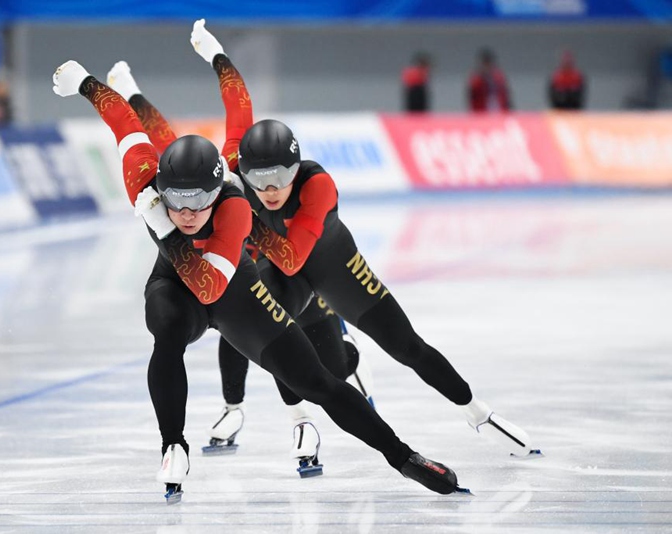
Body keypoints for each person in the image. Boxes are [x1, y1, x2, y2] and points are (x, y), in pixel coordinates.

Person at [51, 58, 467, 502]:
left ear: (217, 194)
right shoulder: (142, 179)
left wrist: (167, 229)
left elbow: (211, 288)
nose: (188, 213)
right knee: (166, 329)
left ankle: (404, 458)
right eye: (177, 201)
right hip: (174, 286)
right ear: (160, 189)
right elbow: (124, 122)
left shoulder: (235, 208)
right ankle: (173, 444)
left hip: (230, 288)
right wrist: (84, 82)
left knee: (319, 382)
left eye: (199, 202)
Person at [187, 21, 537, 459]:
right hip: (286, 274)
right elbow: (238, 99)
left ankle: (476, 411)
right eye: (259, 179)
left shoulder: (317, 186)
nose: (270, 188)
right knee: (269, 327)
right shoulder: (238, 165)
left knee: (407, 347)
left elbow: (295, 257)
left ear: (296, 170)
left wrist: (245, 219)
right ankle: (300, 422)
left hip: (333, 268)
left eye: (281, 178)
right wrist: (217, 55)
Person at [105, 57, 375, 476]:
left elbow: (238, 109)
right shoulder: (192, 187)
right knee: (233, 334)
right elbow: (159, 142)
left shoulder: (236, 170)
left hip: (285, 273)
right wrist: (132, 94)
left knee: (324, 367)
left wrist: (217, 57)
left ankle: (342, 363)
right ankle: (252, 412)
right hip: (237, 276)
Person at [467, 48, 511, 112]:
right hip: (482, 111)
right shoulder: (476, 80)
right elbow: (472, 99)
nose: (487, 66)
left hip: (499, 109)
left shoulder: (499, 77)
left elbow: (506, 96)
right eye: (485, 64)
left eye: (488, 63)